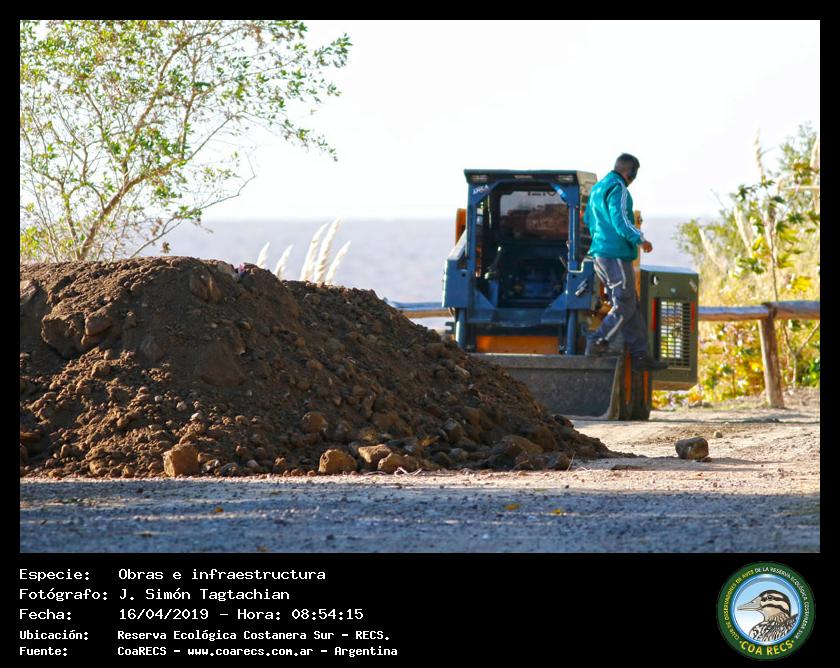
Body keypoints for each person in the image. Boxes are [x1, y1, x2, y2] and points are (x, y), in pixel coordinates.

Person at [582, 153, 668, 371]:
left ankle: (640, 356)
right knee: (625, 303)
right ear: (630, 172)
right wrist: (640, 239)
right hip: (615, 254)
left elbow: (587, 219)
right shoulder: (618, 188)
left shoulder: (598, 188)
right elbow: (620, 219)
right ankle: (598, 340)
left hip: (600, 254)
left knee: (631, 305)